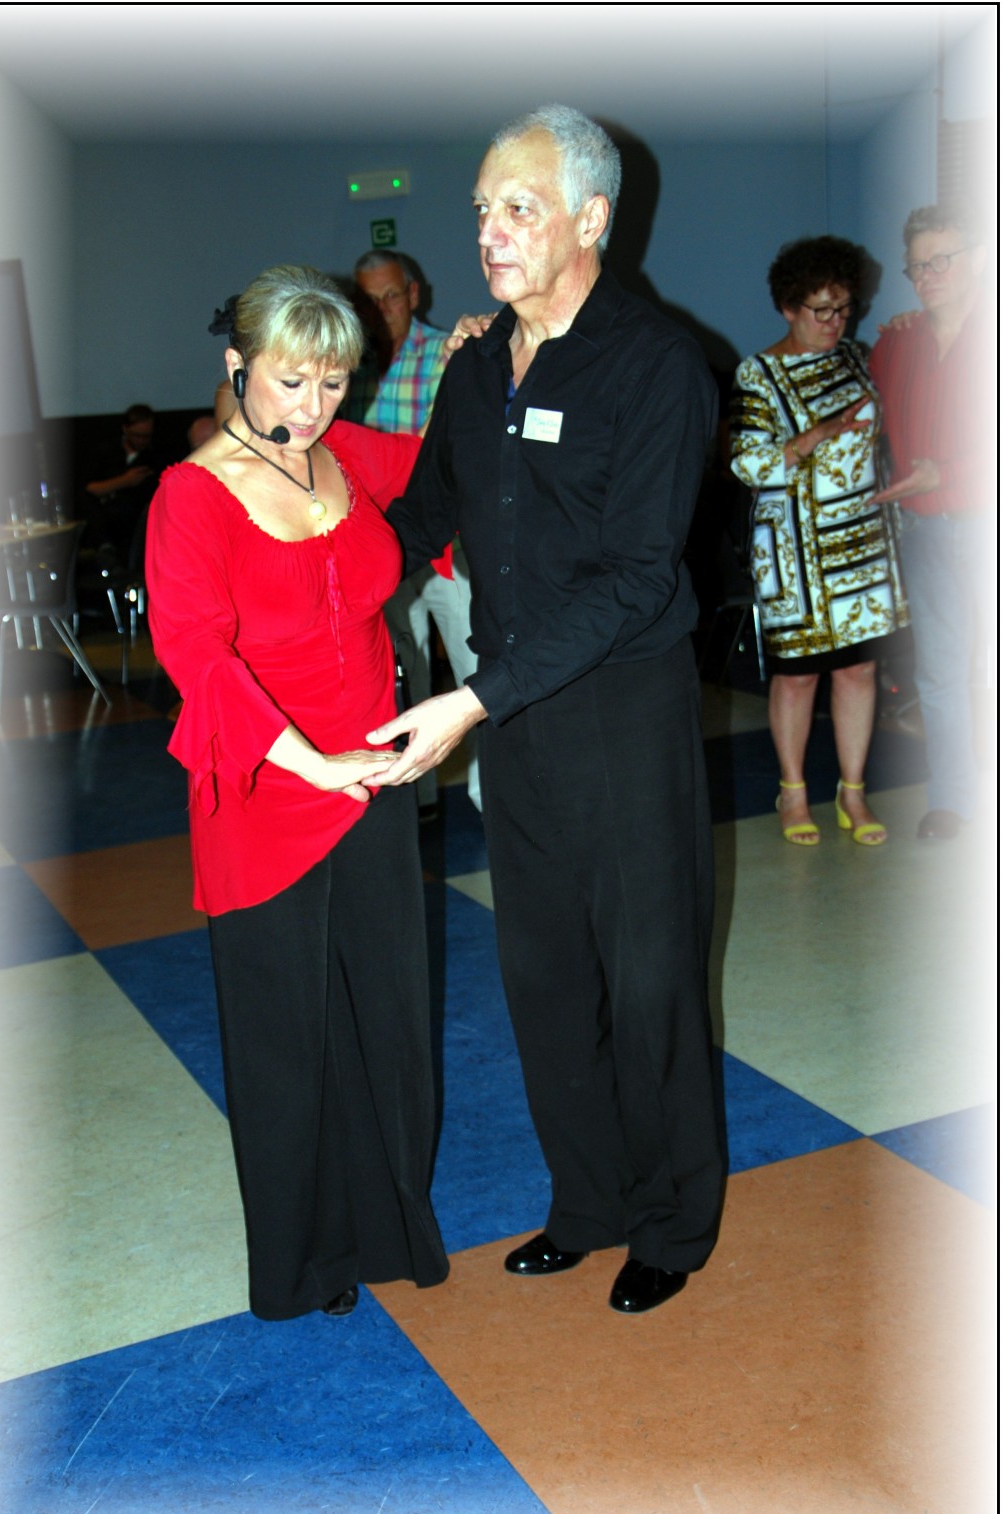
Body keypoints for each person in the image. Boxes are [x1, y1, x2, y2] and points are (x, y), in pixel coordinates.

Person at [368, 105, 726, 1316]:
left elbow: (636, 579)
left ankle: (672, 1221)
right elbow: (420, 520)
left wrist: (469, 700)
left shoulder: (658, 364)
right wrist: (302, 582)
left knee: (651, 978)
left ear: (591, 219)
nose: (491, 231)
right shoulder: (474, 368)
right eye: (482, 209)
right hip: (517, 719)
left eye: (519, 208)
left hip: (622, 717)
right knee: (545, 975)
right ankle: (588, 1202)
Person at [145, 265, 449, 1321]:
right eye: (290, 381)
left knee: (388, 1016)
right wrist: (311, 762)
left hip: (375, 773)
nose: (313, 406)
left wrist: (494, 366)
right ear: (238, 367)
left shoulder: (344, 454)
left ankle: (388, 1225)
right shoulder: (193, 493)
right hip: (268, 787)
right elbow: (195, 653)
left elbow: (452, 467)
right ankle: (305, 1260)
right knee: (288, 1034)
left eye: (332, 382)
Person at [730, 236, 909, 846]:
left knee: (859, 670)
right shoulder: (759, 373)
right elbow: (746, 464)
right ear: (788, 307)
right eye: (821, 310)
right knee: (800, 676)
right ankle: (793, 791)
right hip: (796, 554)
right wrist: (814, 437)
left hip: (865, 542)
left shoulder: (858, 358)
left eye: (844, 308)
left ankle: (852, 791)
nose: (835, 322)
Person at [869, 203, 993, 841]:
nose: (926, 276)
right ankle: (954, 799)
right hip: (927, 533)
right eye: (917, 266)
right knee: (939, 673)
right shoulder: (896, 343)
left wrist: (945, 472)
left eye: (940, 261)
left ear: (978, 259)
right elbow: (861, 412)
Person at [347, 250, 481, 815]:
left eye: (391, 296)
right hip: (379, 549)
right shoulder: (350, 366)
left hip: (447, 545)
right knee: (404, 672)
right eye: (370, 300)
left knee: (478, 670)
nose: (383, 309)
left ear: (414, 295)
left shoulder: (448, 353)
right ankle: (417, 800)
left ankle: (491, 796)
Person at [84, 402, 162, 562]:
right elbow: (89, 488)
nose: (141, 440)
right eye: (137, 435)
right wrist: (125, 481)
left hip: (133, 521)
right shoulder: (106, 451)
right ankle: (105, 549)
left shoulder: (155, 457)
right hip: (102, 517)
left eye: (146, 436)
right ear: (125, 429)